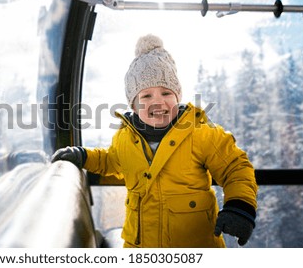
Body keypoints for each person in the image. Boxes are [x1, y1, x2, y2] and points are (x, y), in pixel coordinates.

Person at [51, 34, 258, 248]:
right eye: (146, 96)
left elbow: (236, 167)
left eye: (166, 93)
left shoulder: (199, 133)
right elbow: (110, 161)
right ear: (133, 105)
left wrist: (240, 206)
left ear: (178, 97)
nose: (158, 101)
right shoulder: (125, 138)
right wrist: (83, 156)